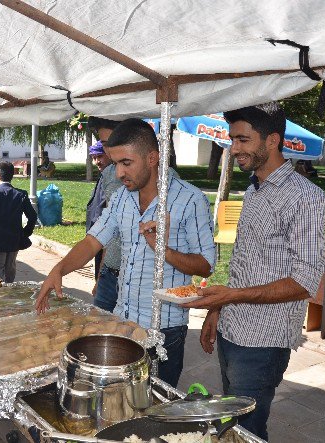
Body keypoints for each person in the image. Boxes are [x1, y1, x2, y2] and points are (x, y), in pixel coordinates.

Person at [36, 118, 215, 388]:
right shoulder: (122, 197)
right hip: (122, 321)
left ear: (153, 158)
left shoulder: (191, 199)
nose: (119, 173)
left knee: (154, 407)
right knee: (118, 399)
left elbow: (206, 265)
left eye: (126, 163)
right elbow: (92, 242)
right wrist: (58, 270)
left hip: (164, 328)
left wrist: (162, 250)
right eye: (115, 163)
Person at [188, 102, 325, 441]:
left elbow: (305, 281)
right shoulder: (253, 190)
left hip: (264, 344)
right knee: (232, 425)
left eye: (243, 140)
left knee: (248, 431)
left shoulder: (306, 198)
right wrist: (220, 309)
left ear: (272, 140)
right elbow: (246, 266)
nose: (233, 149)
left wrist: (230, 296)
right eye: (232, 139)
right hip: (232, 330)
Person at [85, 118, 123, 312]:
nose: (106, 152)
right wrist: (100, 277)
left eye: (109, 144)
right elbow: (107, 232)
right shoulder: (108, 175)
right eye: (104, 145)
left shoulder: (172, 184)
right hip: (108, 272)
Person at [0, 161, 38, 282]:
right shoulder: (21, 194)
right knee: (9, 272)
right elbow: (32, 216)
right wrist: (24, 233)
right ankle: (9, 296)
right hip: (13, 242)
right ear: (12, 175)